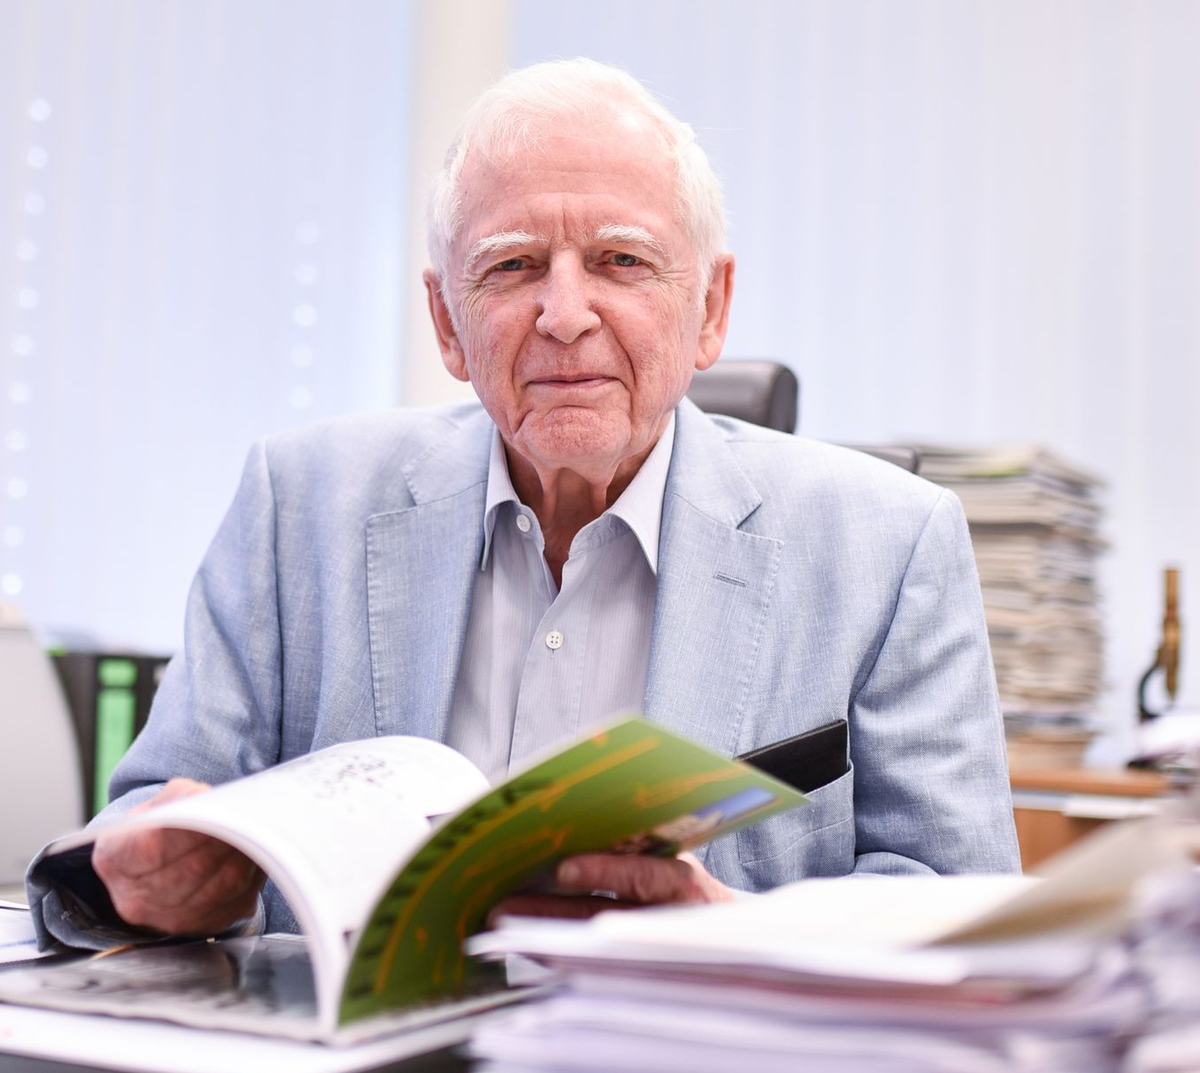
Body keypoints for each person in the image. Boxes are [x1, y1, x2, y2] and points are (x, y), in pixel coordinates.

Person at [29, 59, 1019, 949]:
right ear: (447, 322)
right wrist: (148, 876)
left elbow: (966, 908)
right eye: (512, 266)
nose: (564, 313)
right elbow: (149, 811)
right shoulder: (300, 502)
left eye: (622, 260)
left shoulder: (889, 544)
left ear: (709, 309)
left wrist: (735, 934)